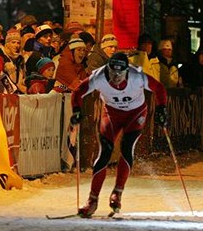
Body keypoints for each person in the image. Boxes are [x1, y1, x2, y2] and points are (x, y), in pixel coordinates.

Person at [70, 52, 168, 217]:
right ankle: (92, 200)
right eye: (112, 72)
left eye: (120, 73)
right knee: (105, 153)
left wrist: (161, 109)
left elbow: (159, 88)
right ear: (107, 68)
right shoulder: (99, 76)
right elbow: (78, 91)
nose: (116, 76)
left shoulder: (137, 76)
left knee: (127, 147)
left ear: (127, 70)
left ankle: (117, 192)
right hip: (112, 114)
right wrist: (77, 110)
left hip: (135, 114)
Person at [0, 28, 27, 93]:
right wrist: (17, 87)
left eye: (18, 43)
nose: (16, 45)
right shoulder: (1, 56)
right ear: (7, 43)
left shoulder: (20, 59)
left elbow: (23, 76)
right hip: (4, 93)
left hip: (19, 94)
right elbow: (0, 77)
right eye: (13, 42)